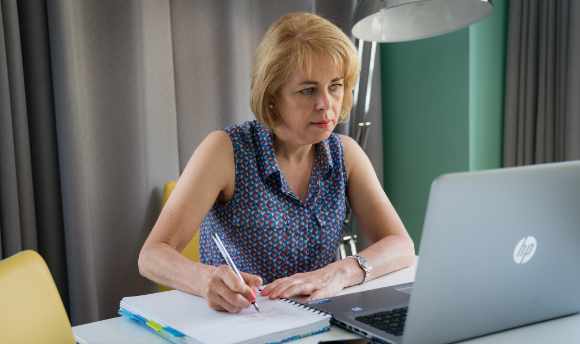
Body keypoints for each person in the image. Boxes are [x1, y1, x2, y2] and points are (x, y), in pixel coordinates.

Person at [138, 12, 415, 314]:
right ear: (272, 96)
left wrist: (340, 272)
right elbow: (152, 255)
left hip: (320, 325)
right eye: (308, 90)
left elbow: (401, 245)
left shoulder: (345, 154)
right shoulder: (225, 150)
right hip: (242, 326)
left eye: (335, 86)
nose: (326, 103)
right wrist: (205, 280)